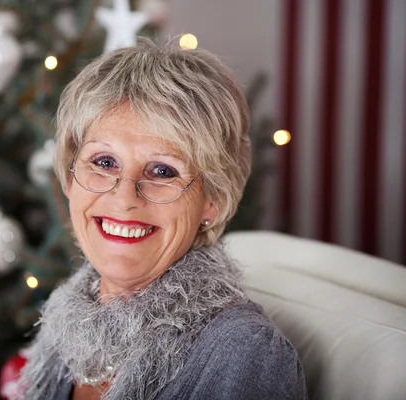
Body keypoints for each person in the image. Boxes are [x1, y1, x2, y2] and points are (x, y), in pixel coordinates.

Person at [18, 38, 307, 400]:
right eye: (104, 162)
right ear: (70, 176)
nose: (124, 199)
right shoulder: (64, 328)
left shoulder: (246, 353)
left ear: (212, 200)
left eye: (162, 170)